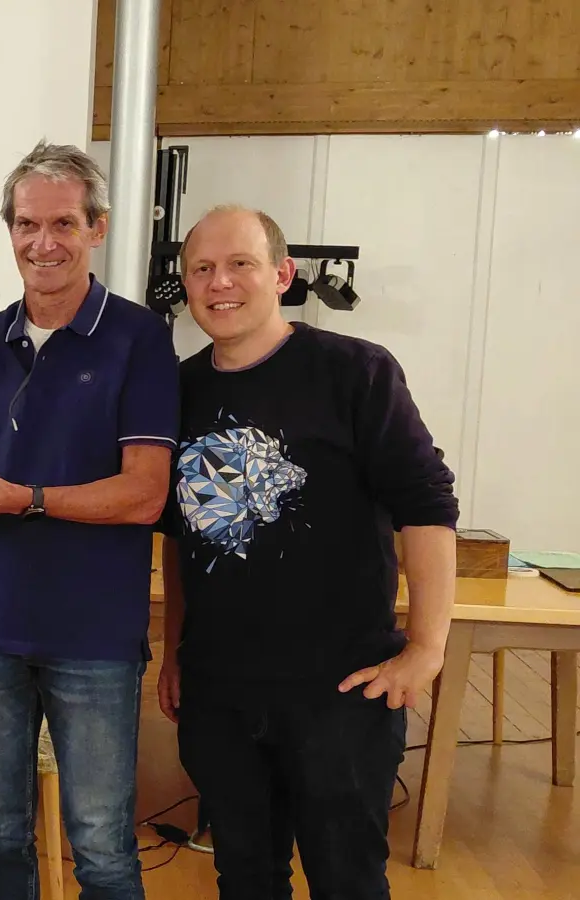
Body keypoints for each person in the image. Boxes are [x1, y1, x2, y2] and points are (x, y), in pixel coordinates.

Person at [0, 141, 179, 899]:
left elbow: (146, 494)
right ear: (10, 230)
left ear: (97, 228)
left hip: (92, 637)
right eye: (26, 224)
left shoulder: (140, 338)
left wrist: (25, 498)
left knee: (102, 845)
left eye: (62, 224)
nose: (42, 243)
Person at [155, 205, 457, 900]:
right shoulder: (179, 389)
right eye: (201, 269)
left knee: (347, 878)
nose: (219, 283)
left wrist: (428, 647)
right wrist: (175, 650)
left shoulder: (355, 372)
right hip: (221, 689)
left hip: (340, 689)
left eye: (240, 265)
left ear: (283, 275)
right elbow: (180, 533)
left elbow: (428, 507)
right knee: (245, 876)